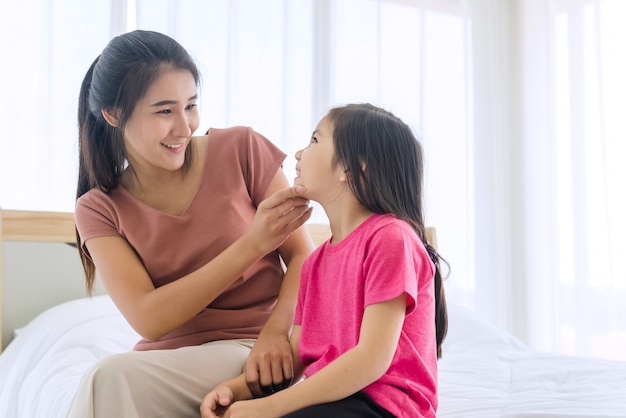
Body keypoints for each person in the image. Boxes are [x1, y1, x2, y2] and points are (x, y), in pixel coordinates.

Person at [67, 30, 315, 418]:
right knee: (112, 378)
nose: (184, 127)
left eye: (191, 106)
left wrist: (277, 333)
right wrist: (251, 244)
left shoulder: (242, 150)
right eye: (165, 111)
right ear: (114, 114)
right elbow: (149, 319)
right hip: (168, 363)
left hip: (256, 349)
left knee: (108, 380)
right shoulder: (98, 209)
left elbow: (304, 257)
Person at [200, 103, 449, 418]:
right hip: (331, 404)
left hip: (384, 408)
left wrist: (267, 409)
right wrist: (235, 391)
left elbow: (371, 360)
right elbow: (293, 362)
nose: (298, 154)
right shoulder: (313, 263)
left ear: (352, 167)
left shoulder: (391, 238)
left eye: (315, 140)